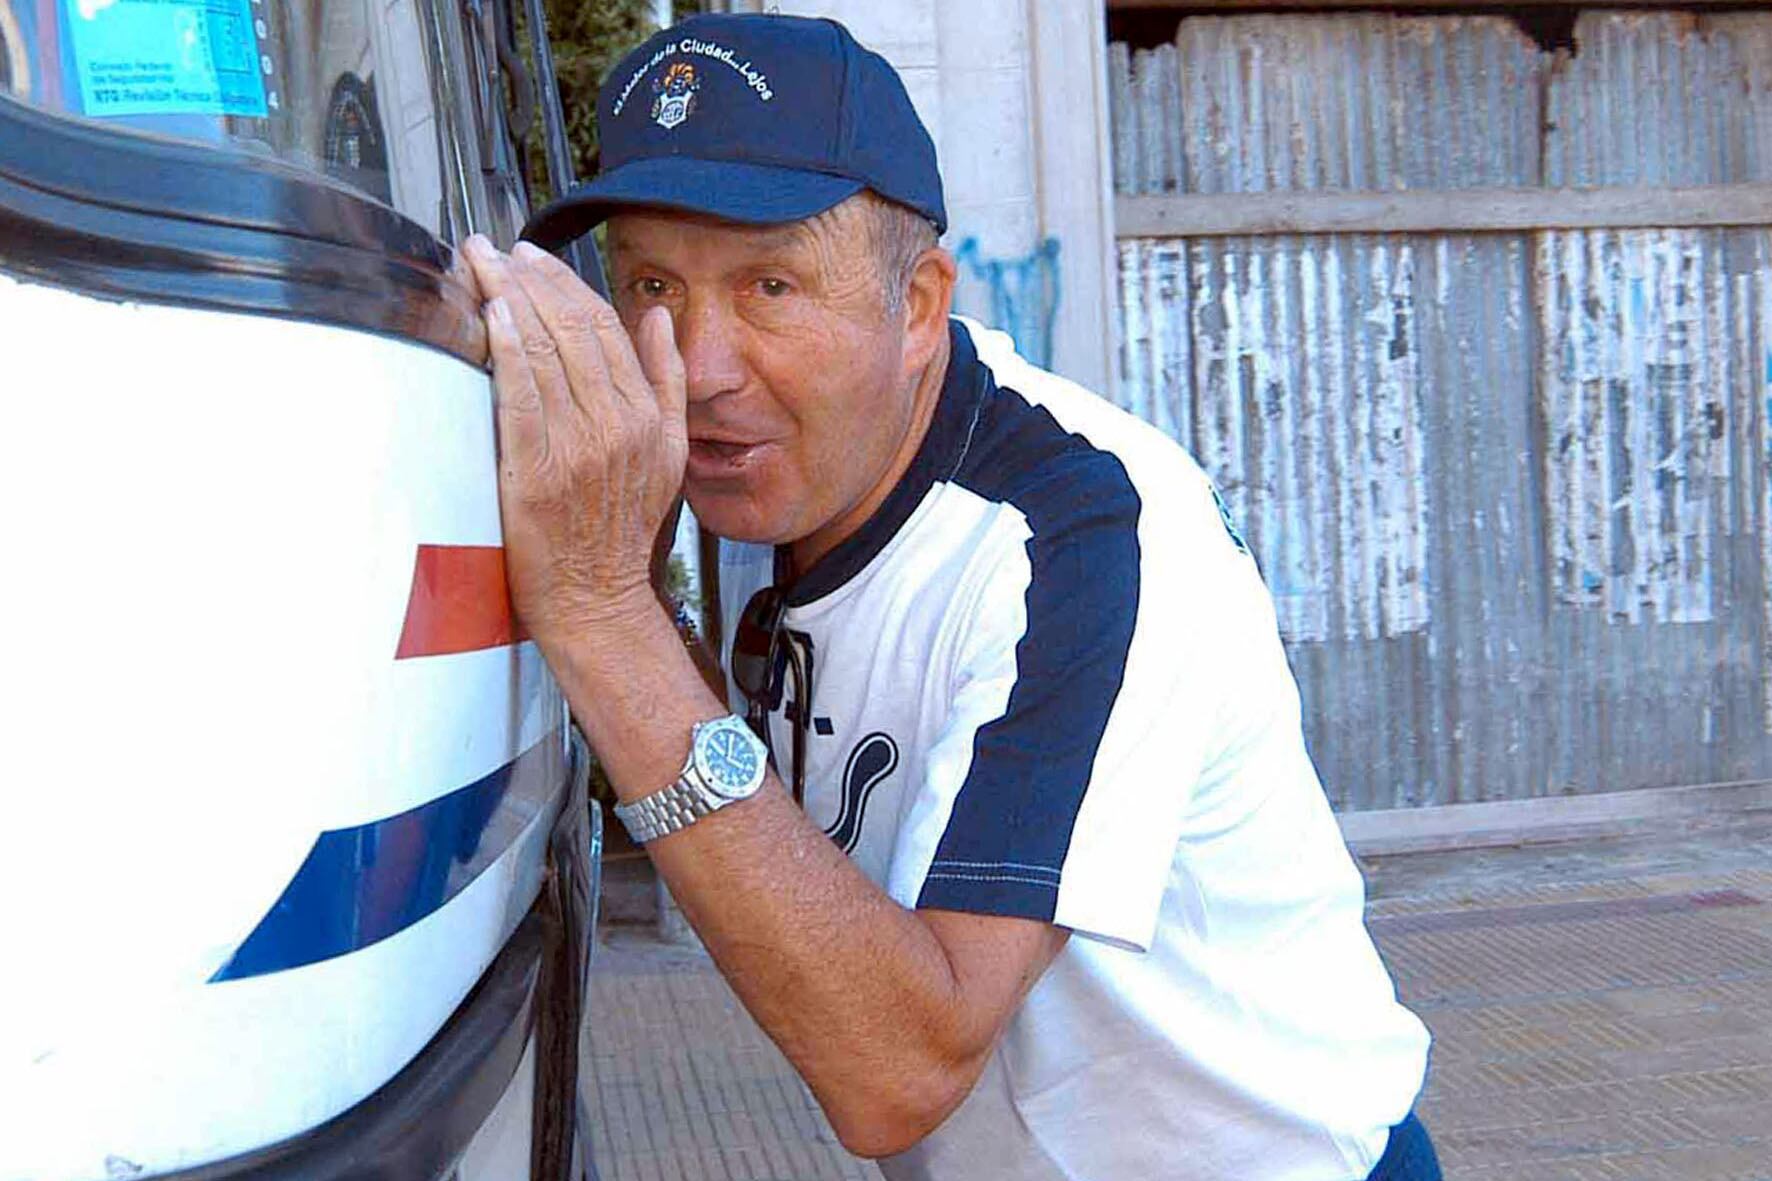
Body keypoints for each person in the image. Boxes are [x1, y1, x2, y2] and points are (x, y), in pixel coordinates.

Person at [458, 12, 1440, 1180]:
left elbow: (898, 1070)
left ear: (917, 307)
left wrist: (601, 610)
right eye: (650, 283)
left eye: (769, 285)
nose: (700, 361)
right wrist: (652, 606)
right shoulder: (792, 471)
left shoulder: (1084, 540)